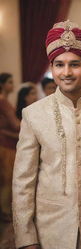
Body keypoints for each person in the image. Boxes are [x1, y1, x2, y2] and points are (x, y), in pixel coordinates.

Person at [12, 20, 81, 249]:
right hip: (51, 228)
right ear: (51, 68)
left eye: (75, 65)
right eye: (59, 65)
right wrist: (26, 237)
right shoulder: (33, 114)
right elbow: (23, 181)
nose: (66, 73)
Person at [0, 73, 20, 222]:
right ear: (2, 85)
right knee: (8, 179)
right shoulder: (3, 102)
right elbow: (15, 125)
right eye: (10, 82)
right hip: (6, 145)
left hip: (6, 141)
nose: (12, 85)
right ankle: (6, 212)